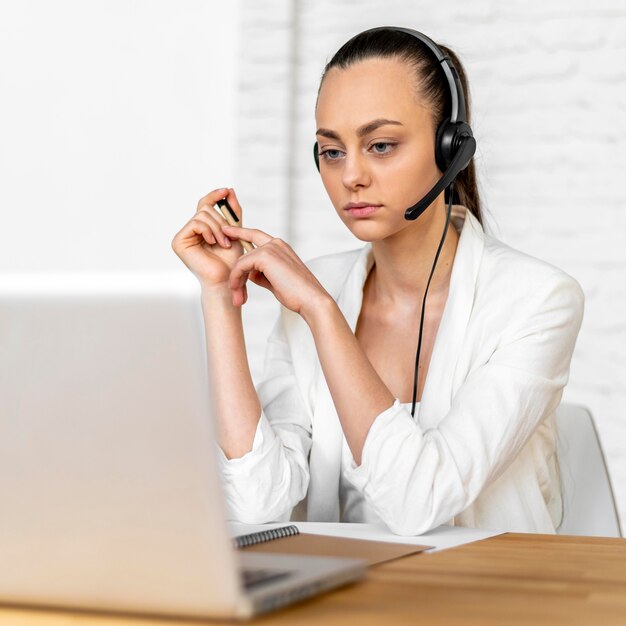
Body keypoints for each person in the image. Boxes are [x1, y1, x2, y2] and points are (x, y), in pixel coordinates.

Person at [171, 27, 584, 535]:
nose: (352, 176)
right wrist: (219, 294)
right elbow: (257, 505)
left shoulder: (538, 301)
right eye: (332, 151)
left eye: (381, 145)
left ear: (449, 147)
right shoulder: (316, 287)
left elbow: (418, 503)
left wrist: (324, 314)